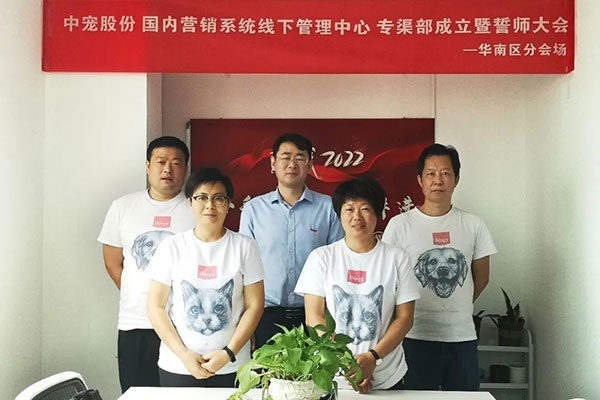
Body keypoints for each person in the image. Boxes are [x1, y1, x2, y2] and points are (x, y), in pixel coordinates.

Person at [382, 143, 498, 391]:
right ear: (420, 180)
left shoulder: (473, 224)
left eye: (445, 173)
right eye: (431, 173)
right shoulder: (399, 225)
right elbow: (389, 280)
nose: (438, 180)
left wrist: (458, 301)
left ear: (456, 179)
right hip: (414, 336)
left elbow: (481, 277)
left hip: (462, 337)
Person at [295, 177, 419, 393]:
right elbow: (314, 317)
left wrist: (373, 357)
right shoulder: (322, 258)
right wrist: (347, 363)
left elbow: (405, 318)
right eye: (349, 209)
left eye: (365, 209)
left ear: (378, 213)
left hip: (387, 374)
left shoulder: (397, 258)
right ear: (339, 214)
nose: (357, 217)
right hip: (333, 373)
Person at [146, 168, 265, 387]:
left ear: (228, 204)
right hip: (178, 366)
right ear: (190, 203)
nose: (210, 205)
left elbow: (255, 305)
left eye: (218, 198)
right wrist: (184, 355)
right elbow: (155, 306)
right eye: (202, 198)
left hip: (233, 366)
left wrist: (228, 353)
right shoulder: (172, 247)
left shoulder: (245, 247)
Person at [97, 136, 195, 393]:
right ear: (148, 166)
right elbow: (113, 264)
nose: (168, 169)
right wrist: (147, 299)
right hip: (135, 322)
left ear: (186, 169)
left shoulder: (196, 209)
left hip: (182, 325)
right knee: (138, 392)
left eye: (176, 163)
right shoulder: (123, 207)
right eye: (161, 162)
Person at [239, 133, 344, 347]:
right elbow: (244, 268)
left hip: (317, 315)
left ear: (310, 164)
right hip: (266, 315)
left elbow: (338, 263)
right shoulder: (254, 210)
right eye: (285, 157)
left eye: (300, 158)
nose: (292, 164)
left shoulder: (329, 208)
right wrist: (245, 321)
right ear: (273, 163)